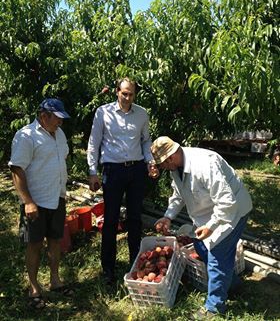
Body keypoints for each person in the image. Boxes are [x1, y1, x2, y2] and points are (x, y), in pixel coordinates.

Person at [151, 136, 252, 319]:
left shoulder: (205, 164)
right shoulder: (177, 167)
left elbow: (227, 202)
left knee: (217, 257)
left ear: (170, 158)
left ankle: (214, 308)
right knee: (200, 246)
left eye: (163, 164)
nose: (163, 168)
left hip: (232, 212)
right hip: (209, 215)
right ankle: (232, 284)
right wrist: (168, 216)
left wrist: (211, 226)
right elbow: (178, 195)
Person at [87, 77, 159, 284]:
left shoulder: (142, 114)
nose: (128, 97)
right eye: (124, 93)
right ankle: (108, 267)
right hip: (113, 170)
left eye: (131, 94)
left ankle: (135, 261)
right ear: (117, 92)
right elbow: (94, 142)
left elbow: (146, 141)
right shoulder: (103, 112)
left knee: (135, 218)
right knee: (110, 219)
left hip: (136, 170)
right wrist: (93, 171)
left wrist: (150, 162)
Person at [9, 98, 71, 309]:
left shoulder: (59, 134)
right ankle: (34, 287)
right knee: (34, 243)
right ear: (44, 116)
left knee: (55, 239)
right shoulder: (26, 136)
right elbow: (17, 169)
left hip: (57, 196)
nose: (60, 123)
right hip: (36, 200)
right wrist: (28, 201)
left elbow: (61, 160)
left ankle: (55, 280)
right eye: (57, 119)